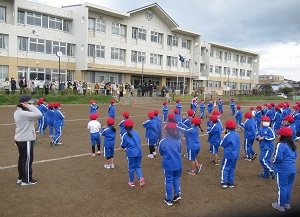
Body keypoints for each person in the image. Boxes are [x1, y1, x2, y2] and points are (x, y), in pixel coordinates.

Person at [14, 94, 42, 186]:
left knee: (22, 159)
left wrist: (28, 106)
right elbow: (39, 114)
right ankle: (27, 180)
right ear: (24, 104)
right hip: (25, 139)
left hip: (20, 138)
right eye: (30, 103)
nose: (31, 104)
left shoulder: (18, 112)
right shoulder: (24, 113)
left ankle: (21, 177)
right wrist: (29, 106)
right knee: (27, 160)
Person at [271, 127, 297, 212]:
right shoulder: (292, 145)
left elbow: (278, 157)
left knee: (282, 187)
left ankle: (280, 205)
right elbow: (295, 156)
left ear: (283, 136)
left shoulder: (280, 145)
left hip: (283, 169)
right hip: (292, 168)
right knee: (288, 187)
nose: (278, 134)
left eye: (279, 133)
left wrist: (273, 162)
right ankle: (286, 203)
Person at [159, 122, 182, 206]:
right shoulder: (178, 140)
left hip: (168, 165)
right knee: (176, 179)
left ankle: (169, 198)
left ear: (166, 131)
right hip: (178, 164)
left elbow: (161, 152)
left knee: (168, 181)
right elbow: (179, 150)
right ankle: (177, 194)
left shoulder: (163, 142)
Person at [121, 119, 146, 187]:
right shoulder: (136, 132)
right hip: (139, 152)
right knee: (138, 166)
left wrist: (125, 148)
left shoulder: (125, 135)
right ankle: (141, 177)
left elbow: (123, 145)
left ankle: (131, 181)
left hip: (131, 153)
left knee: (131, 167)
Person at [220, 120, 240, 188]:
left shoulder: (227, 135)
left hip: (228, 154)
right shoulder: (237, 134)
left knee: (225, 168)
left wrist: (222, 138)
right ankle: (231, 182)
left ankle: (224, 182)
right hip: (235, 154)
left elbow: (223, 144)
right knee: (232, 168)